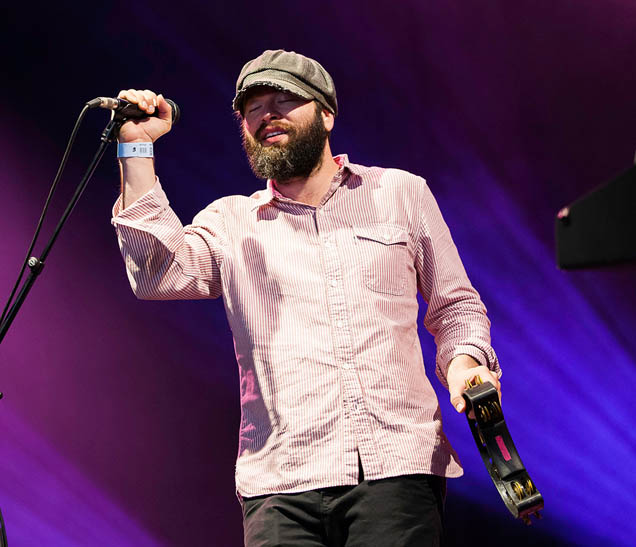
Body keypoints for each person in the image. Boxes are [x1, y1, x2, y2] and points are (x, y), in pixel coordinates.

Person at [111, 49, 501, 546]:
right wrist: (137, 150)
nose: (266, 115)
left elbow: (455, 306)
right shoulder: (232, 222)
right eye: (252, 108)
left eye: (284, 99)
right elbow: (156, 275)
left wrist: (466, 363)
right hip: (280, 482)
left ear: (326, 113)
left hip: (394, 468)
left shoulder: (400, 193)